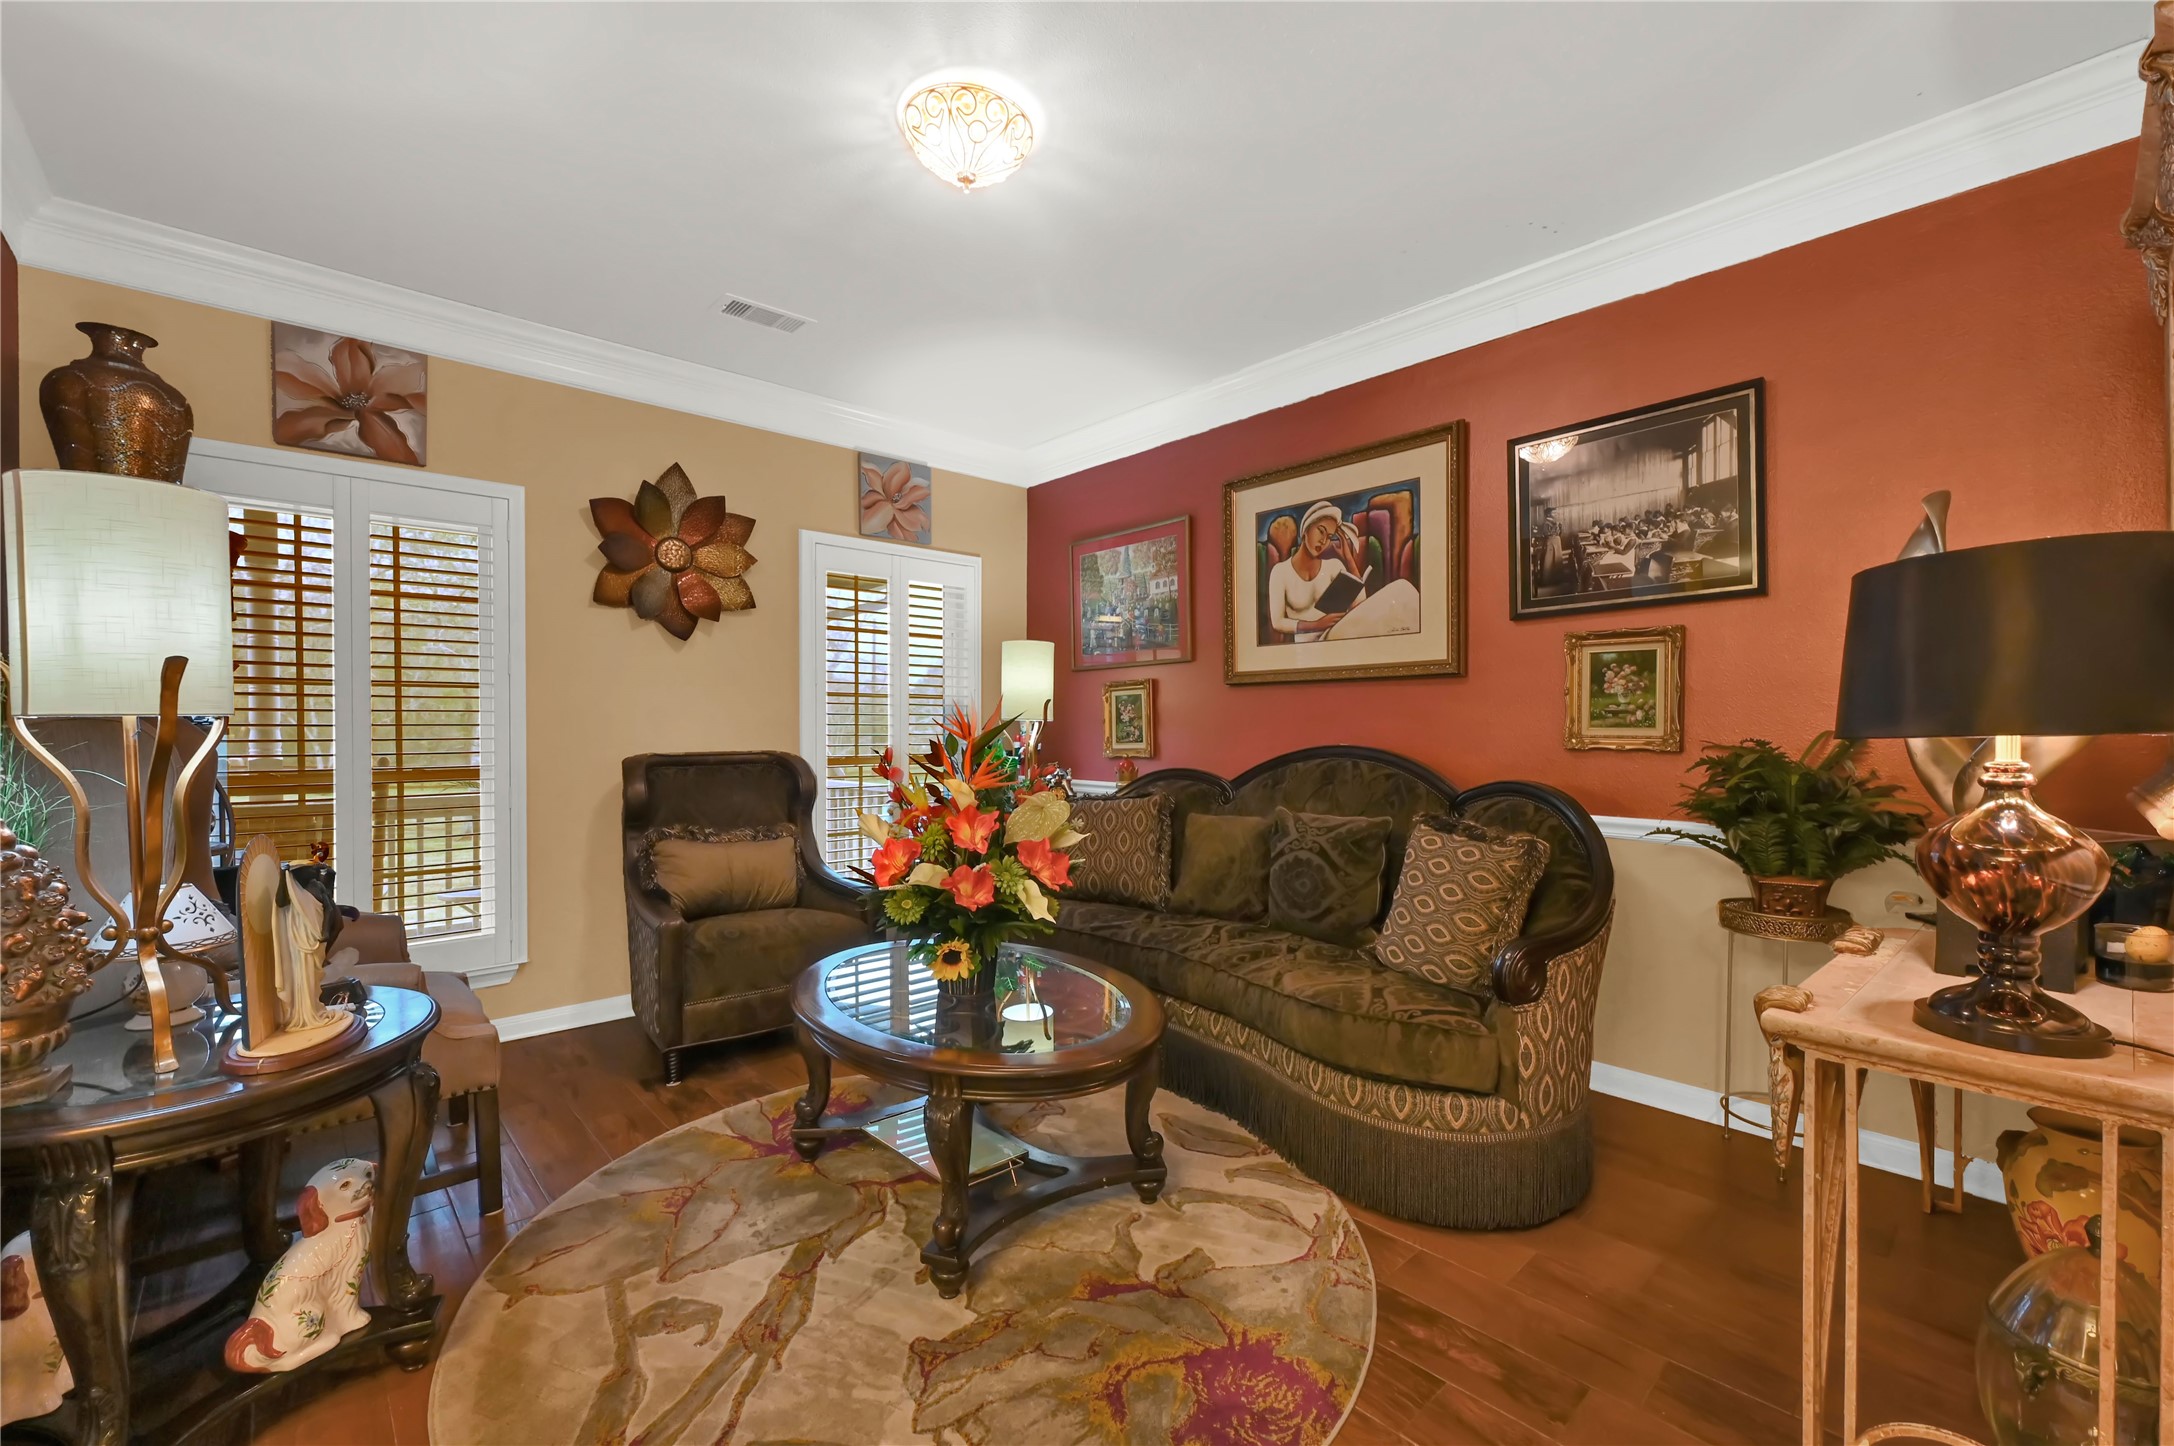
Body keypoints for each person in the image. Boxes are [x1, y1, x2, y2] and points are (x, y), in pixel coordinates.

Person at [1265, 501, 1356, 642]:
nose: (1323, 540)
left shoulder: (1333, 566)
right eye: (1321, 531)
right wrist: (1316, 625)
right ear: (1306, 529)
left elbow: (1360, 604)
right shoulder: (1280, 572)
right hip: (1306, 648)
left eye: (1330, 537)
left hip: (1337, 638)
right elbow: (1278, 623)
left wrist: (1349, 559)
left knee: (1400, 587)